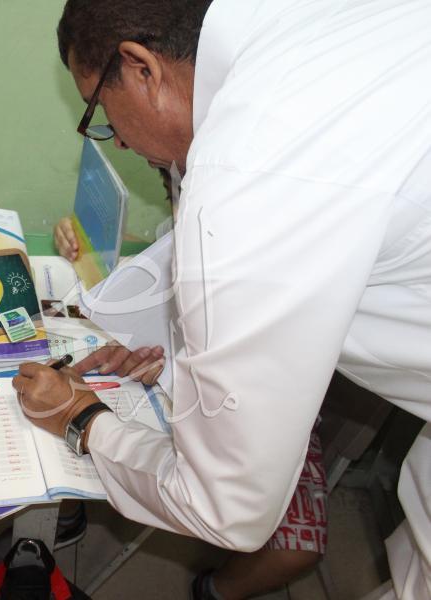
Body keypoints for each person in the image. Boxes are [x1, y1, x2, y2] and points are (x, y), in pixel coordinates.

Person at [16, 1, 431, 599]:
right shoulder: (280, 34)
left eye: (101, 111)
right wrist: (170, 341)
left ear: (141, 68)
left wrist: (81, 419)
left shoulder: (247, 187)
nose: (120, 142)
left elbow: (229, 509)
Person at [55, 173, 328, 596]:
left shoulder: (292, 277)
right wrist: (84, 246)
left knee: (295, 551)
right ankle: (67, 511)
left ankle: (212, 590)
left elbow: (235, 461)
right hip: (187, 379)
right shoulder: (201, 224)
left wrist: (169, 368)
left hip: (258, 411)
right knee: (82, 388)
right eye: (175, 194)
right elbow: (161, 261)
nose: (182, 209)